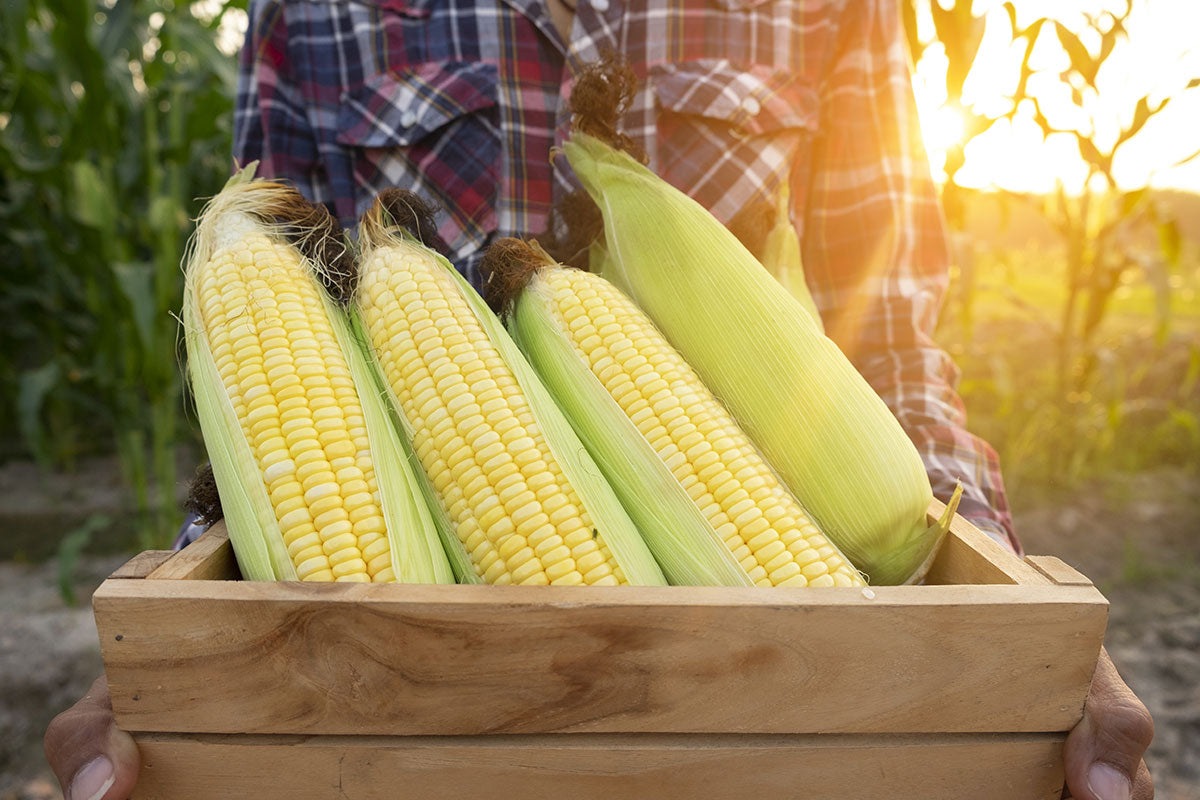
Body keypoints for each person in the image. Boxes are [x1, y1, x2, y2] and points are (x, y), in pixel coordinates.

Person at [46, 0, 1154, 797]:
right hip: (424, 728)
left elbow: (891, 357)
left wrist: (1030, 631)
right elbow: (276, 381)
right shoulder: (316, 16)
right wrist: (181, 645)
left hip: (795, 713)